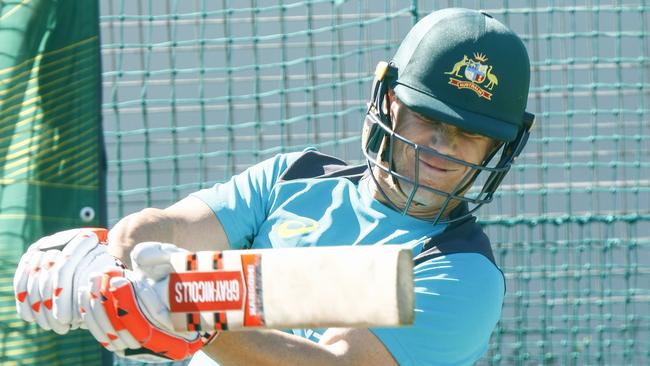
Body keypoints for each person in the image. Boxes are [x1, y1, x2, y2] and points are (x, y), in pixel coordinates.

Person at [14, 8, 535, 365]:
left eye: (471, 135)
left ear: (496, 149)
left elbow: (334, 364)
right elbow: (173, 230)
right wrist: (105, 256)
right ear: (391, 104)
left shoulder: (460, 269)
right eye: (428, 120)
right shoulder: (294, 177)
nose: (444, 147)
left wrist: (192, 315)